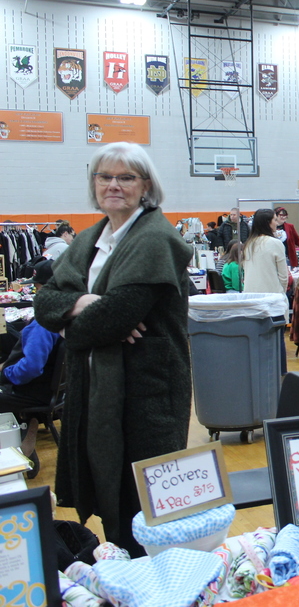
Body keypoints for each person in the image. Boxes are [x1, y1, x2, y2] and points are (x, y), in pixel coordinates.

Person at [33, 142, 193, 557]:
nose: (114, 185)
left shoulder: (157, 238)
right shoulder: (90, 239)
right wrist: (81, 306)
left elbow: (116, 318)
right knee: (109, 496)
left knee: (142, 509)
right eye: (105, 177)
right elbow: (44, 303)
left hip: (146, 396)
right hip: (96, 390)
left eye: (126, 177)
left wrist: (78, 320)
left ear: (146, 186)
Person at [1, 260, 61, 475]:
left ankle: (19, 445)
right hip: (49, 391)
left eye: (37, 287)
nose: (35, 291)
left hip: (33, 391)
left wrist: (5, 372)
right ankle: (27, 427)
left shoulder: (44, 323)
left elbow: (32, 368)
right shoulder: (65, 315)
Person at [240, 208, 288, 294]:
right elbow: (283, 276)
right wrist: (281, 294)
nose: (277, 223)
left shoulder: (247, 244)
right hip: (271, 295)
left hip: (250, 295)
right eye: (275, 220)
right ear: (268, 222)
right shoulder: (275, 243)